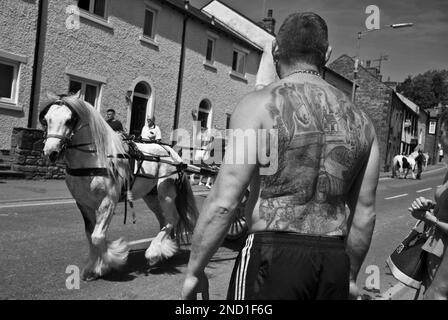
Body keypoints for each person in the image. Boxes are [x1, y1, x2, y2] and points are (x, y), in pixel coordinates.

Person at [182, 12, 379, 300]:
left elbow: (224, 202)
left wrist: (194, 271)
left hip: (271, 254)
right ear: (326, 53)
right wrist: (349, 277)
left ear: (275, 49)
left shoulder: (258, 105)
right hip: (333, 260)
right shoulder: (362, 121)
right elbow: (364, 214)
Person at [408, 111, 448, 300]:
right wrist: (430, 208)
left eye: (442, 132)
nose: (440, 137)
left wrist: (431, 219)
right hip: (434, 253)